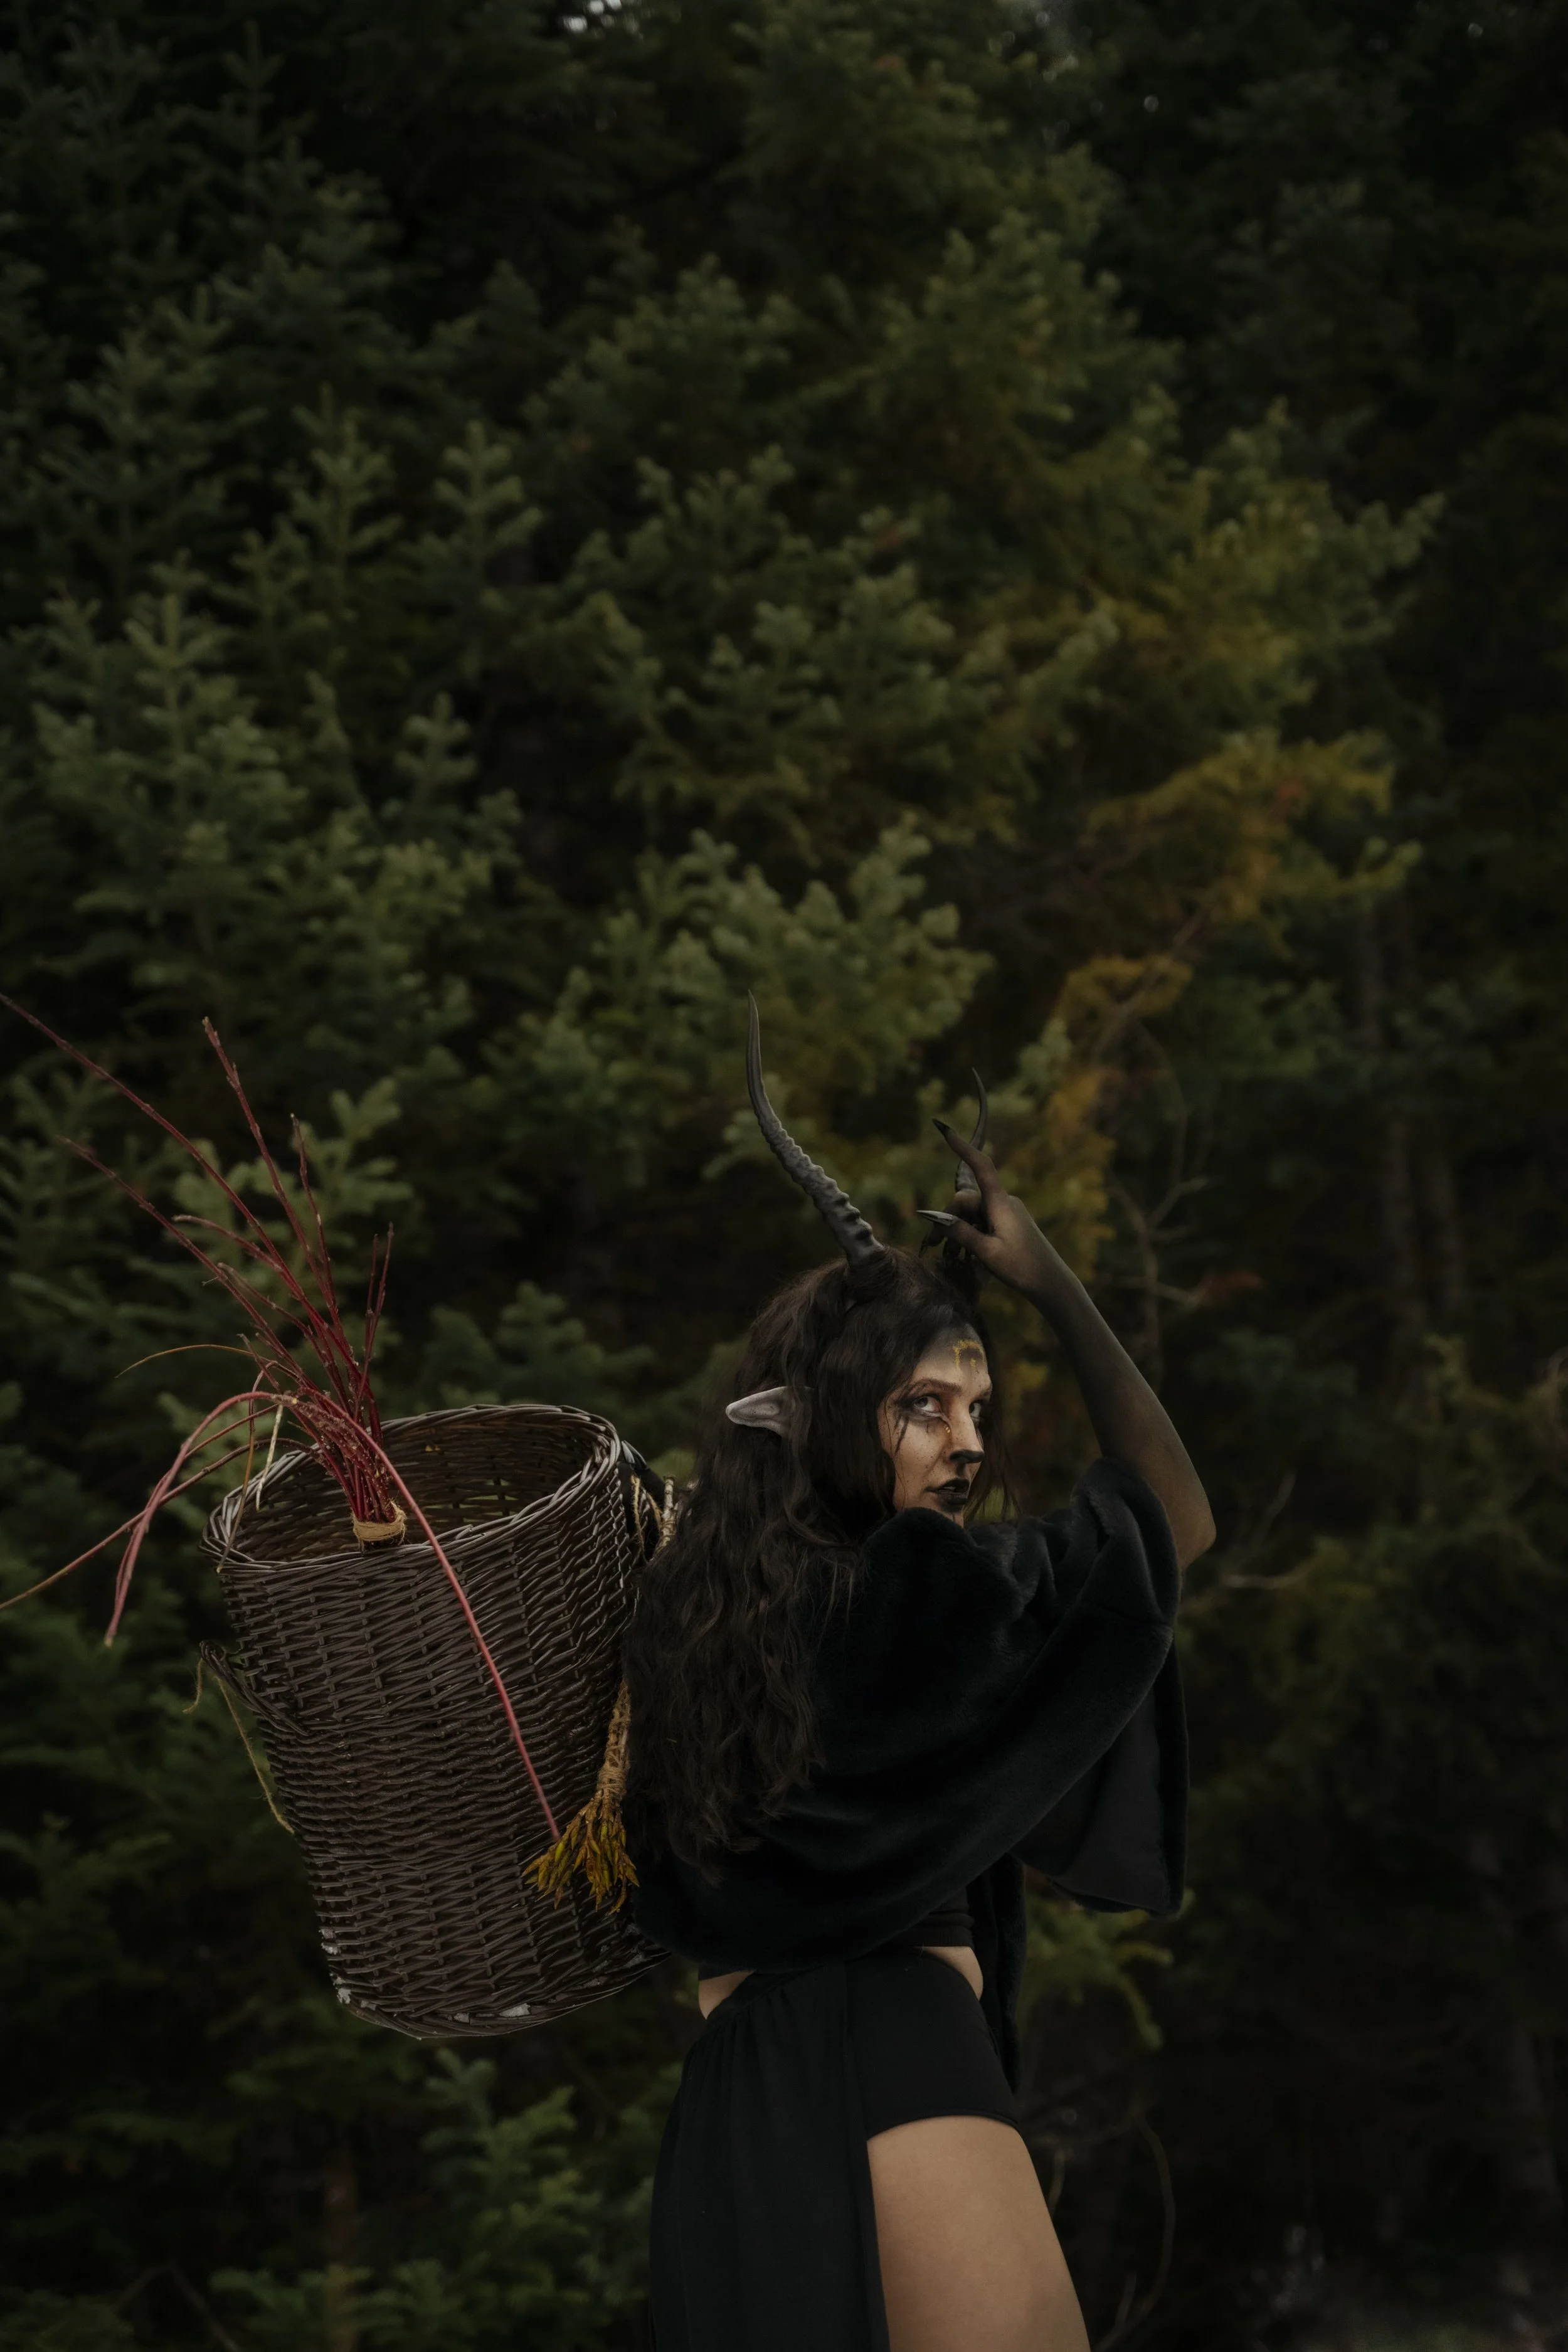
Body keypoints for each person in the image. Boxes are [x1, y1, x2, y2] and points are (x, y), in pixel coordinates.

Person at [622, 1005, 1215, 2352]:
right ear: (829, 1416)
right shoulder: (928, 1590)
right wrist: (1051, 1284)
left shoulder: (691, 1610)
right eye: (922, 1407)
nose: (963, 1444)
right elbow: (1172, 1525)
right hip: (898, 2053)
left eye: (977, 1410)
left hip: (729, 2115)